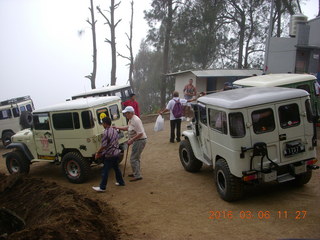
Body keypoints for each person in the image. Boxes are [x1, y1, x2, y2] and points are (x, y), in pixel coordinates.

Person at [92, 117, 125, 192]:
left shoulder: (105, 132)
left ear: (105, 124)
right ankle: (121, 182)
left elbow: (104, 145)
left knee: (105, 171)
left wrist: (98, 152)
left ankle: (102, 187)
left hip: (109, 155)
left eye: (103, 123)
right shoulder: (114, 130)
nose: (102, 124)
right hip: (116, 152)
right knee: (116, 169)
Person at [114, 106, 147, 182]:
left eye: (126, 113)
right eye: (125, 113)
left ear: (131, 113)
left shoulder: (136, 120)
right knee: (136, 157)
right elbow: (127, 128)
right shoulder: (131, 120)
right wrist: (117, 127)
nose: (125, 115)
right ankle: (136, 172)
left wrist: (131, 140)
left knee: (133, 158)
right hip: (138, 140)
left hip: (140, 140)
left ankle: (137, 175)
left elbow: (140, 133)